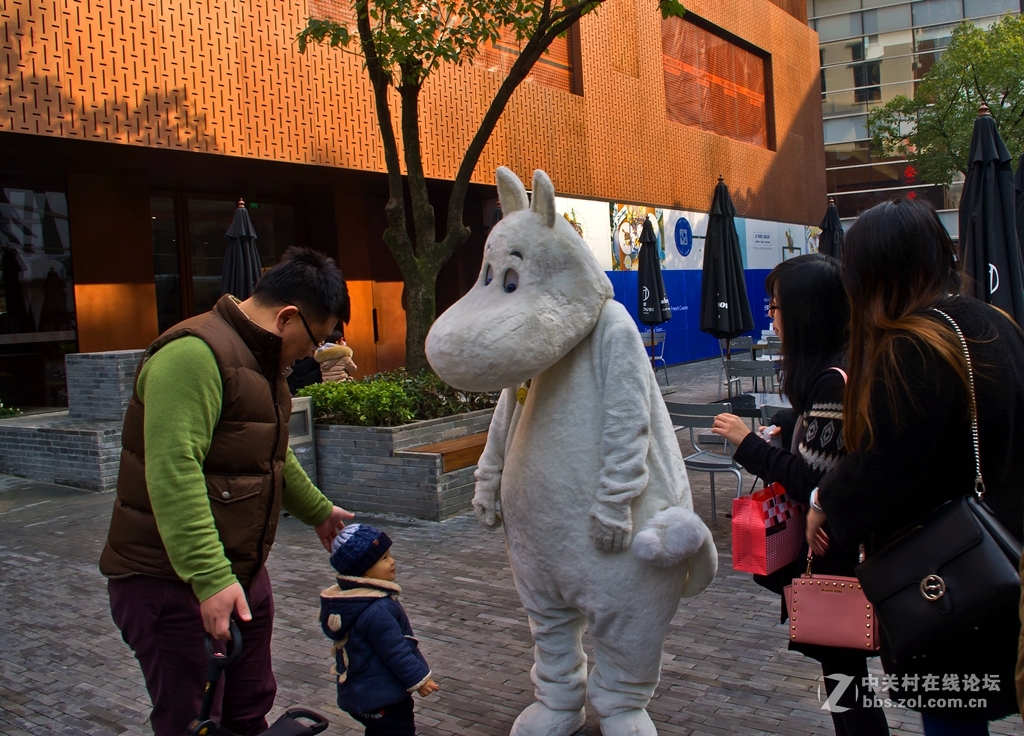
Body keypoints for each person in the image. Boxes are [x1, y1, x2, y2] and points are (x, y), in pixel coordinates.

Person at [99, 247, 355, 736]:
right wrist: (210, 578)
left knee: (248, 710)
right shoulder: (192, 355)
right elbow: (174, 470)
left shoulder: (262, 362)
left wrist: (319, 512)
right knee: (193, 721)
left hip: (240, 577)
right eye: (314, 341)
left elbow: (270, 454)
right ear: (286, 316)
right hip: (170, 583)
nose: (310, 354)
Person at [811, 198, 1024, 734]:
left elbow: (886, 466)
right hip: (1009, 553)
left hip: (951, 576)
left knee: (952, 720)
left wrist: (824, 501)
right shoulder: (995, 322)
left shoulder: (915, 344)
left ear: (874, 274)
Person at [711, 254, 890, 736]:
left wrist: (745, 443)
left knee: (845, 684)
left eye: (776, 304)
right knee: (846, 680)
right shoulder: (850, 362)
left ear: (806, 311)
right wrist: (793, 424)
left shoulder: (832, 379)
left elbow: (815, 483)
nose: (771, 314)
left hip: (835, 559)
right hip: (851, 550)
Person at [321, 524, 439, 735]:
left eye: (389, 554)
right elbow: (396, 650)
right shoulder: (377, 609)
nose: (392, 561)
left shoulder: (353, 601)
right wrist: (420, 679)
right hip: (383, 697)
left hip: (361, 695)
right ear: (364, 570)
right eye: (384, 558)